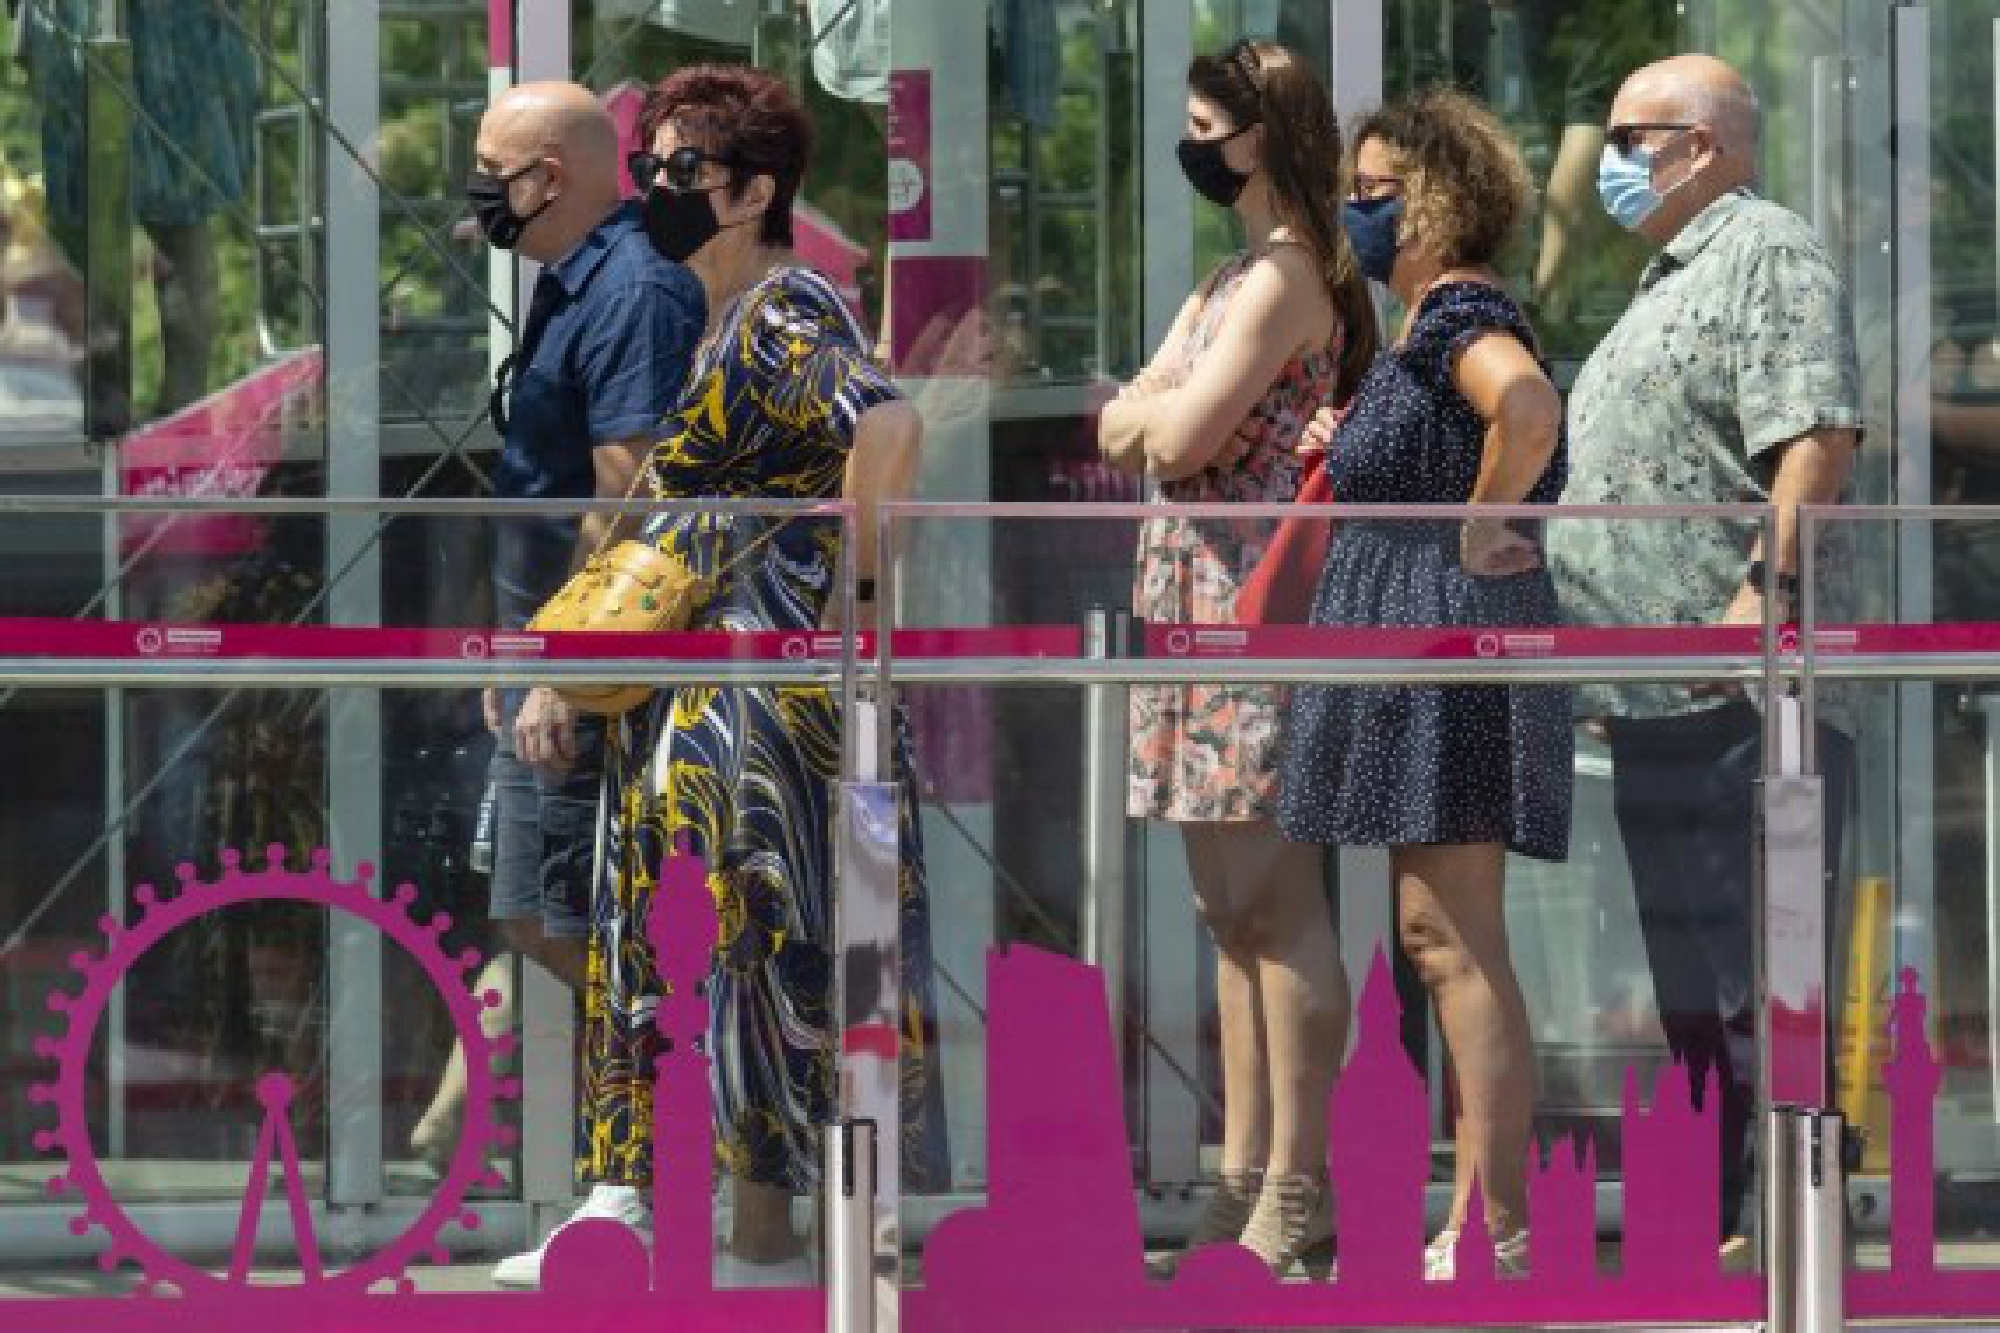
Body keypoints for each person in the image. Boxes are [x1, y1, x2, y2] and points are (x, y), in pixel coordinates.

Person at [545, 62, 944, 1288]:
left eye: (680, 172)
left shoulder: (784, 313)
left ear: (752, 190)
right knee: (745, 960)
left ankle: (784, 1257)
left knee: (771, 956)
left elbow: (887, 425)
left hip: (765, 708)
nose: (654, 191)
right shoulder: (726, 314)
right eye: (645, 168)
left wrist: (853, 599)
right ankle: (756, 1243)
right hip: (718, 702)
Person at [1547, 54, 1861, 1268]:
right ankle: (1722, 1221)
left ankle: (1782, 1229)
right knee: (1690, 983)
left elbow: (1813, 438)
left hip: (1734, 695)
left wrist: (1760, 599)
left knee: (1750, 986)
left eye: (1633, 137)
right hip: (1646, 696)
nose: (1613, 160)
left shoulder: (1763, 252)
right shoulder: (1663, 274)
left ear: (1706, 143)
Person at [1276, 87, 1571, 1280]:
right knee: (1433, 932)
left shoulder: (1460, 316)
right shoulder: (1424, 328)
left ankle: (1487, 1220)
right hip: (1414, 632)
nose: (1358, 208)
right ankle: (1480, 1216)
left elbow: (1527, 405)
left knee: (1449, 938)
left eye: (1381, 189)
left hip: (1451, 635)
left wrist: (1477, 527)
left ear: (1439, 198)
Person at [1097, 39, 1375, 1279]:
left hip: (1252, 610)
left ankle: (1296, 1186)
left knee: (1273, 906)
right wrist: (1156, 417)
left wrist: (1158, 416)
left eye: (1207, 122)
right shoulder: (1229, 278)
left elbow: (1177, 427)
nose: (1194, 143)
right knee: (1225, 915)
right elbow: (1126, 421)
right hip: (1192, 607)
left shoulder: (1283, 278)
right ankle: (1243, 1176)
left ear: (1256, 138)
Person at [459, 81, 706, 1284]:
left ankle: (653, 1172)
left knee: (591, 920)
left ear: (548, 176)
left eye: (488, 169)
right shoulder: (570, 283)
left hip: (586, 671)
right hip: (538, 656)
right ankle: (646, 1160)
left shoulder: (634, 290)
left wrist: (571, 667)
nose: (477, 192)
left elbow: (627, 490)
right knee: (534, 914)